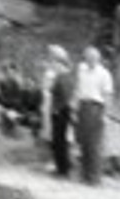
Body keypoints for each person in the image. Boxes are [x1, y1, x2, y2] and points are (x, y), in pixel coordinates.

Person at [73, 46, 114, 185]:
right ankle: (84, 174)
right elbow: (77, 89)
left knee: (94, 144)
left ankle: (94, 177)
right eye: (87, 58)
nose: (90, 60)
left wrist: (105, 115)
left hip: (96, 107)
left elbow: (107, 95)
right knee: (83, 142)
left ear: (98, 59)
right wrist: (75, 108)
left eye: (93, 58)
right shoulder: (81, 69)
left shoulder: (104, 74)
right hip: (83, 106)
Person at [46, 45, 75, 177]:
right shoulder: (66, 76)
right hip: (61, 109)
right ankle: (61, 167)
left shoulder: (63, 77)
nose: (54, 65)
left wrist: (57, 109)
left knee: (59, 140)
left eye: (56, 63)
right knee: (59, 140)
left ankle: (62, 169)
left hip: (60, 110)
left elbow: (60, 93)